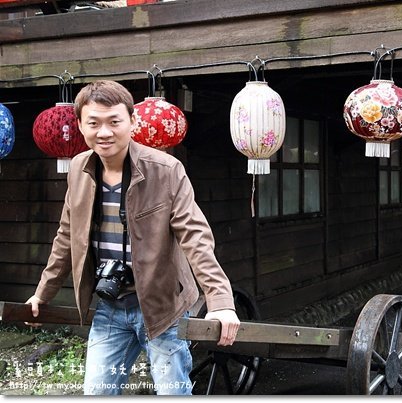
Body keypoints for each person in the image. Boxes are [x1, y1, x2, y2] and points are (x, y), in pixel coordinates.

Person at [24, 80, 240, 395]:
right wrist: (42, 294)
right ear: (81, 125)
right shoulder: (78, 168)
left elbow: (195, 236)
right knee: (97, 393)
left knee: (172, 393)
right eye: (93, 123)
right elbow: (67, 235)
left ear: (132, 121)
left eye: (114, 121)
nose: (104, 132)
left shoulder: (166, 169)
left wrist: (220, 301)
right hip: (110, 305)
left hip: (163, 307)